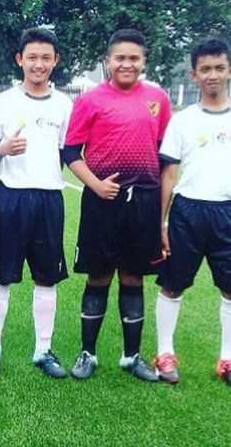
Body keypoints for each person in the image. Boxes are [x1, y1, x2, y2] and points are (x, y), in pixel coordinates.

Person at [62, 29, 171, 381]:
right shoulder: (90, 100)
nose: (127, 64)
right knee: (98, 275)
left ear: (143, 61)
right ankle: (87, 354)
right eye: (120, 58)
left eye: (134, 58)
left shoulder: (158, 99)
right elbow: (69, 152)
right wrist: (95, 184)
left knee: (133, 276)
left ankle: (131, 356)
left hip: (143, 202)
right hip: (102, 201)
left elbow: (164, 153)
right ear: (107, 62)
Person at [0, 28, 71, 379]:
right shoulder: (2, 102)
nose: (39, 64)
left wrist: (45, 177)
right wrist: (2, 150)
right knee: (1, 276)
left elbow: (66, 152)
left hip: (49, 199)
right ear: (20, 59)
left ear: (55, 61)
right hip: (11, 199)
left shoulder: (65, 104)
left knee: (46, 279)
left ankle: (43, 349)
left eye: (46, 58)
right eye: (32, 57)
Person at [154, 37, 231, 386]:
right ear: (194, 74)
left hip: (227, 212)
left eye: (219, 67)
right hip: (187, 212)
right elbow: (169, 173)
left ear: (228, 70)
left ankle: (227, 359)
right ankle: (165, 354)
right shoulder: (182, 121)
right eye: (205, 69)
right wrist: (163, 221)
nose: (212, 75)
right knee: (172, 285)